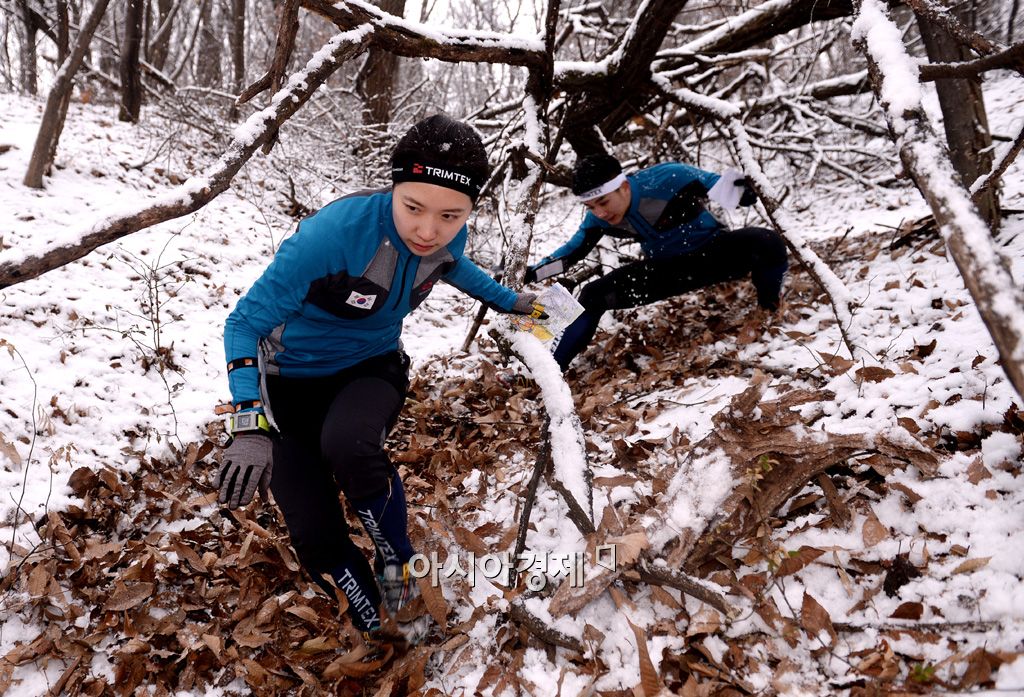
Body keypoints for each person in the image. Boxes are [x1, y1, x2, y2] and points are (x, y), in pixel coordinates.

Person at [215, 114, 545, 648]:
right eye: (413, 207)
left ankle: (398, 564)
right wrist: (248, 423)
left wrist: (513, 302)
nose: (428, 230)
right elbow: (243, 323)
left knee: (348, 444)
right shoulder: (330, 238)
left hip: (371, 369)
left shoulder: (443, 238)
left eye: (451, 215)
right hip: (287, 386)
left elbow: (454, 264)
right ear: (393, 187)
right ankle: (373, 619)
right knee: (315, 534)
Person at [525, 154, 788, 370]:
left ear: (624, 186)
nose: (600, 213)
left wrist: (744, 193)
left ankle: (769, 309)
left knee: (768, 241)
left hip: (713, 254)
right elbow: (570, 253)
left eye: (603, 202)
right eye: (591, 207)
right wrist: (530, 274)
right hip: (665, 272)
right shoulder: (598, 219)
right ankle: (545, 368)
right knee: (592, 294)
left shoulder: (668, 177)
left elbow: (720, 185)